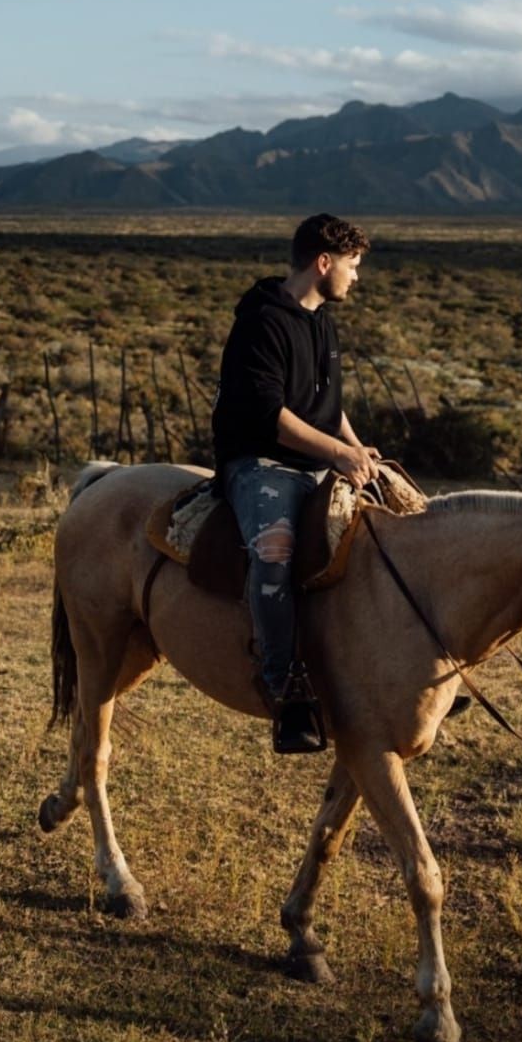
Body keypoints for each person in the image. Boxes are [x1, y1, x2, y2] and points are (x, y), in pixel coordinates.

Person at [212, 213, 377, 753]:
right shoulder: (262, 322)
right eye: (352, 267)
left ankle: (391, 667)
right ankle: (284, 689)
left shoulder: (321, 319)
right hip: (260, 464)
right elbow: (270, 417)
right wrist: (338, 454)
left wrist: (356, 450)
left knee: (394, 524)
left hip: (317, 459)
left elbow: (329, 407)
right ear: (323, 263)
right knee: (275, 551)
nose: (357, 278)